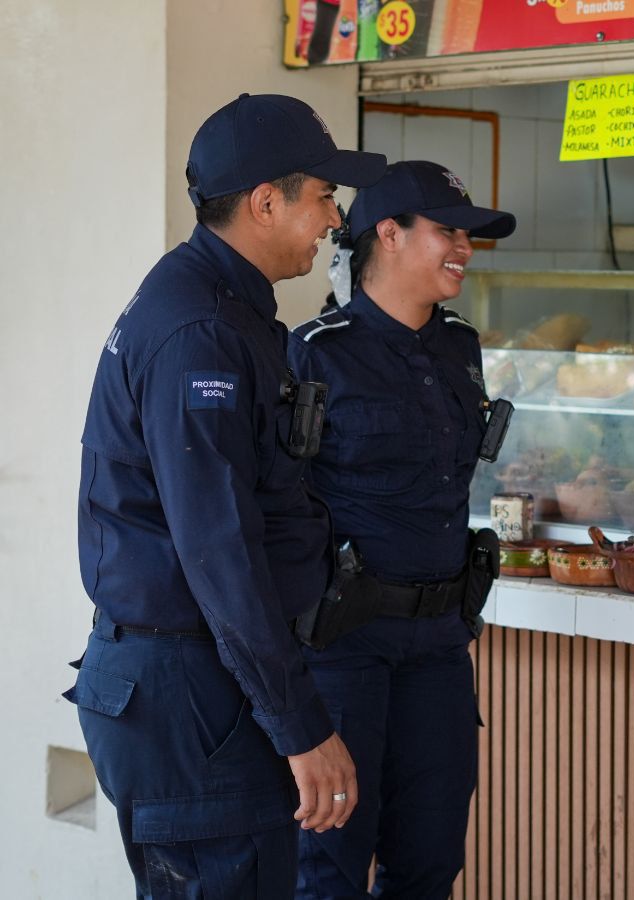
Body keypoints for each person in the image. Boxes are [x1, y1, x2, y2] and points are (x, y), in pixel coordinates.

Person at [65, 93, 386, 898]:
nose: (333, 219)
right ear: (265, 202)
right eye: (322, 196)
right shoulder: (199, 331)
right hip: (190, 701)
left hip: (194, 688)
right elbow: (218, 551)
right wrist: (301, 725)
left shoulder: (220, 306)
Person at [288, 160, 516, 899]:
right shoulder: (315, 354)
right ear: (387, 233)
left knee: (429, 861)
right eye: (448, 230)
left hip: (440, 649)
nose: (464, 247)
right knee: (329, 867)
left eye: (469, 234)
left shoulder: (460, 347)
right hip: (345, 650)